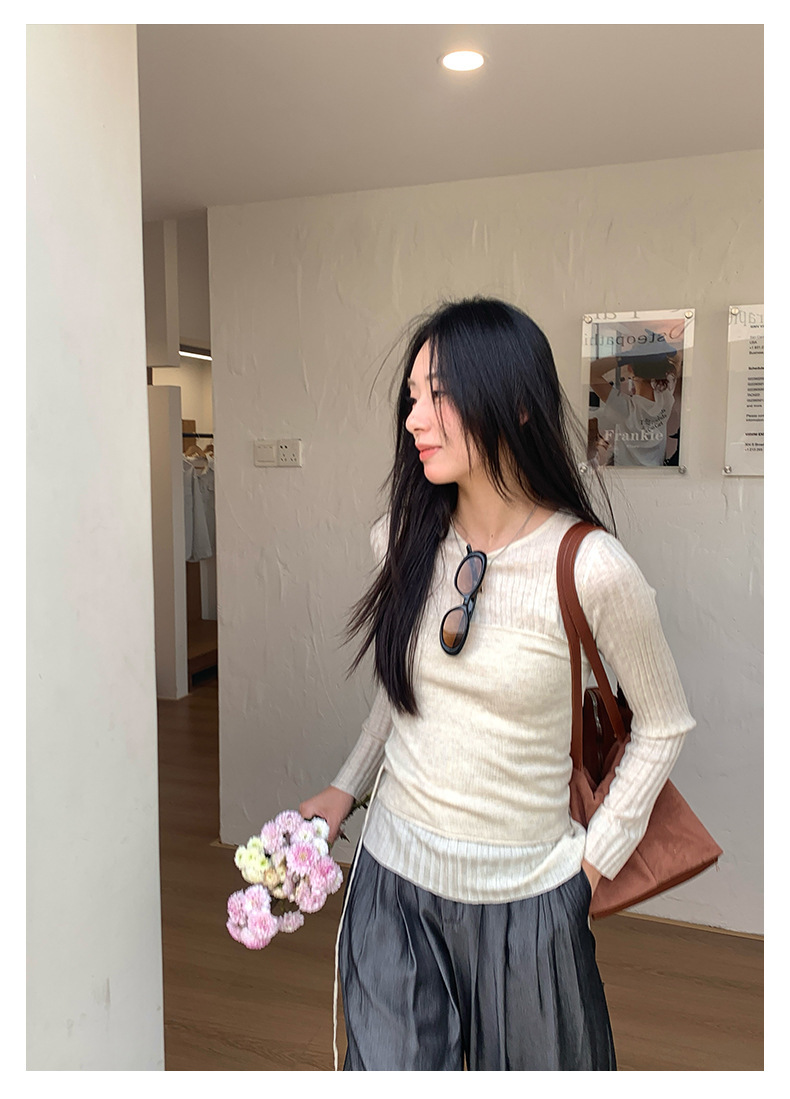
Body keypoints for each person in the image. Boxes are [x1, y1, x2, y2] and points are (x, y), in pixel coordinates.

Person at [300, 298, 695, 1071]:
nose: (415, 418)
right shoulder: (402, 538)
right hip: (391, 885)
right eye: (412, 397)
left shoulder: (592, 567)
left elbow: (664, 723)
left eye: (439, 394)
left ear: (515, 403)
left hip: (530, 902)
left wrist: (590, 868)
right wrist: (345, 787)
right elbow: (407, 687)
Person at [589, 341, 681, 467]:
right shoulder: (666, 397)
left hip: (627, 474)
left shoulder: (625, 407)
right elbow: (677, 359)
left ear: (629, 368)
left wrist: (625, 357)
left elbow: (590, 372)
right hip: (657, 472)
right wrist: (663, 351)